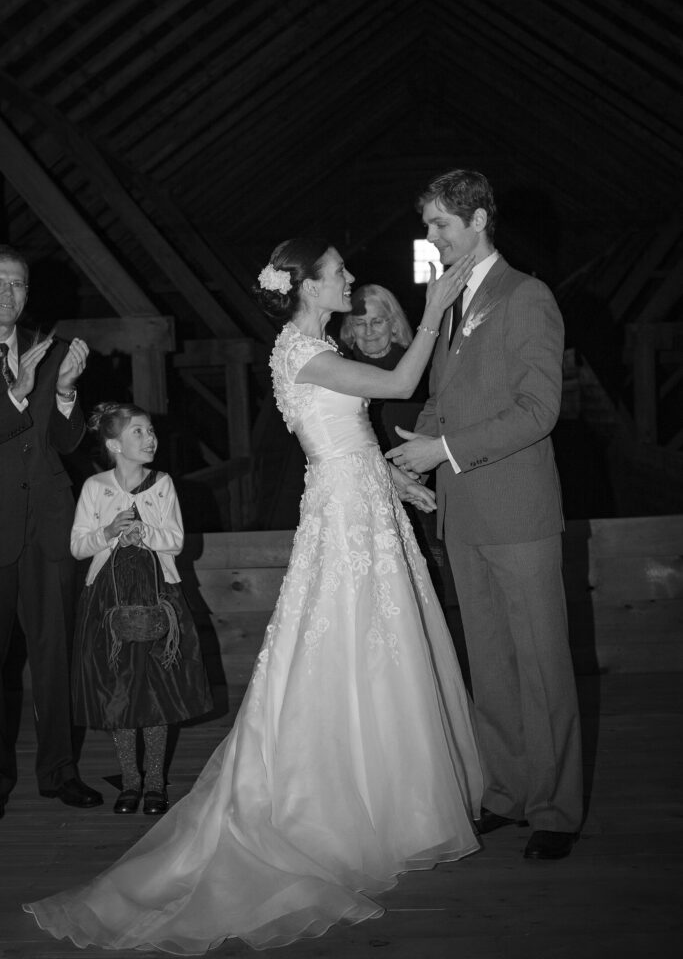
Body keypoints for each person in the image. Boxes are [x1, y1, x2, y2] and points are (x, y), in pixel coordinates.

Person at [23, 237, 482, 953]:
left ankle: (395, 798)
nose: (350, 279)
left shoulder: (306, 347)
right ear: (307, 287)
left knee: (374, 647)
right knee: (344, 642)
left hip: (363, 506)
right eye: (337, 273)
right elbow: (393, 389)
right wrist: (433, 311)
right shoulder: (300, 352)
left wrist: (392, 480)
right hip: (343, 519)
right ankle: (333, 801)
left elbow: (342, 435)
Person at [387, 170, 583, 861]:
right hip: (462, 515)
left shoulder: (526, 296)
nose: (432, 238)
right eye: (430, 226)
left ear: (477, 223)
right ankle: (505, 793)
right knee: (491, 665)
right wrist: (414, 444)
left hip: (519, 513)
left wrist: (445, 448)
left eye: (440, 225)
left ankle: (556, 808)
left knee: (540, 665)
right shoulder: (448, 300)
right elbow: (442, 398)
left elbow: (538, 411)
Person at [70, 402, 213, 816]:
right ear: (114, 444)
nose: (150, 438)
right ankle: (128, 782)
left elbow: (176, 540)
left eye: (151, 431)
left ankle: (154, 783)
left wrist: (144, 530)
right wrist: (110, 531)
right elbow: (78, 546)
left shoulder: (162, 483)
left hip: (157, 596)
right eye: (139, 432)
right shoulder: (95, 488)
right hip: (108, 601)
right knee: (118, 688)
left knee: (156, 690)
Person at [0, 245, 102, 820]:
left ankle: (60, 772)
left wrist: (64, 391)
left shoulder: (55, 350)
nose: (7, 294)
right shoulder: (24, 363)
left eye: (16, 283)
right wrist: (16, 391)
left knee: (54, 656)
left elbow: (66, 444)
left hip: (50, 527)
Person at [339, 284, 426, 451]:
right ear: (351, 328)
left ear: (394, 325)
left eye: (377, 321)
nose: (369, 331)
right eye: (359, 323)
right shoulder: (341, 365)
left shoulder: (418, 366)